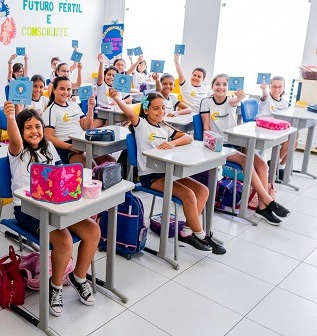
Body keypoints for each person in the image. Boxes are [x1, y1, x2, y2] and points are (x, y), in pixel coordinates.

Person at [4, 102, 99, 317]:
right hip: (28, 209)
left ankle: (79, 277)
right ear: (20, 131)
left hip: (56, 205)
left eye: (38, 126)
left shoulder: (48, 146)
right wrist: (11, 118)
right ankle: (55, 286)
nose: (34, 131)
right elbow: (15, 138)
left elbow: (59, 172)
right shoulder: (17, 152)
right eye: (28, 127)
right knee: (64, 241)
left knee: (93, 231)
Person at [111, 90, 225, 254]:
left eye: (163, 107)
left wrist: (173, 144)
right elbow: (129, 112)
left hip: (167, 172)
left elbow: (188, 138)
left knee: (202, 190)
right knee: (188, 195)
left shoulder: (164, 126)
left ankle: (186, 232)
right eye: (156, 108)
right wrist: (117, 99)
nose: (161, 111)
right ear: (146, 109)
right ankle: (201, 235)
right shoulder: (141, 124)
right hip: (150, 177)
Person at [200, 74, 290, 225]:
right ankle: (269, 201)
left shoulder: (230, 100)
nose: (221, 87)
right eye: (217, 84)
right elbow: (206, 129)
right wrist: (215, 143)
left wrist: (240, 97)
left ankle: (262, 207)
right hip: (220, 146)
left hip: (236, 142)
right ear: (212, 86)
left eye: (224, 84)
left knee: (262, 164)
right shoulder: (206, 102)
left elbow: (235, 101)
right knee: (245, 161)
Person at [42, 77, 115, 166]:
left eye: (69, 89)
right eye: (62, 89)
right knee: (91, 166)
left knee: (111, 162)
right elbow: (48, 137)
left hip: (83, 142)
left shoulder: (74, 105)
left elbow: (86, 127)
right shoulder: (51, 111)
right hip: (66, 147)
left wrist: (90, 108)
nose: (66, 92)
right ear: (54, 90)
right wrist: (70, 147)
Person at [258, 76, 295, 180]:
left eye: (280, 87)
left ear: (284, 88)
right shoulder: (267, 98)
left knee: (294, 138)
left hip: (277, 129)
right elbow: (264, 95)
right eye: (274, 86)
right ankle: (275, 165)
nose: (277, 89)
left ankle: (278, 165)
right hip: (264, 128)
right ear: (270, 87)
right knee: (292, 138)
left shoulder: (284, 103)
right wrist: (264, 89)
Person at [93, 55, 132, 128]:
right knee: (92, 129)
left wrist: (119, 101)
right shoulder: (102, 85)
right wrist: (101, 63)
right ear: (105, 76)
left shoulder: (119, 87)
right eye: (109, 75)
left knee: (129, 119)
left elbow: (130, 99)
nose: (111, 77)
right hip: (101, 115)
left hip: (116, 114)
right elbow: (100, 77)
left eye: (114, 76)